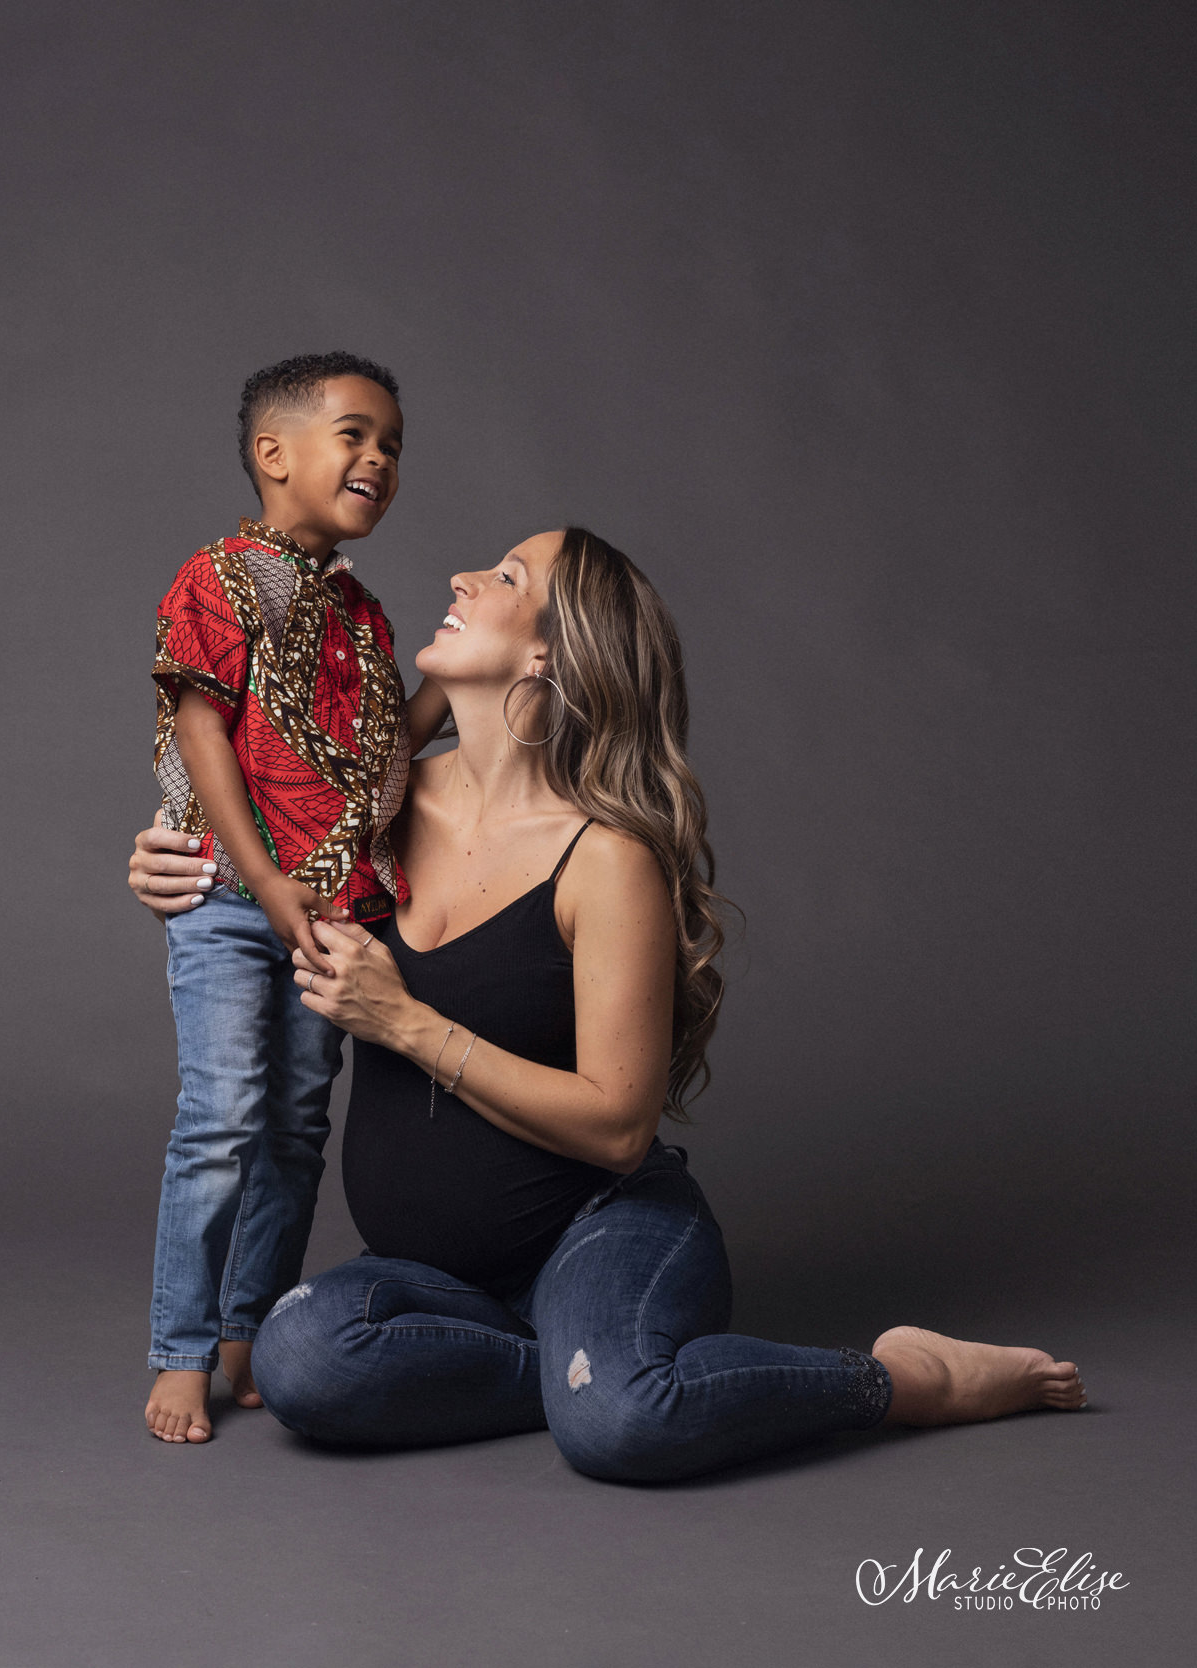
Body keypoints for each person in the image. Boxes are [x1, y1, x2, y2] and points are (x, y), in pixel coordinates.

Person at [130, 527, 1086, 1480]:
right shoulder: (370, 810)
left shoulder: (606, 859)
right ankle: (591, 1368)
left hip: (601, 1230)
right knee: (305, 1363)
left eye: (504, 575)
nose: (461, 575)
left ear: (549, 651)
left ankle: (900, 1379)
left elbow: (621, 1128)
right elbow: (243, 849)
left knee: (623, 1428)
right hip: (436, 1282)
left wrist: (408, 1025)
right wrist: (175, 868)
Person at [142, 351, 446, 1445]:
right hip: (233, 895)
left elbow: (374, 773)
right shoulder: (217, 577)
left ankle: (243, 1329)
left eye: (394, 446)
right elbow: (202, 727)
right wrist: (264, 881)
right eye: (356, 435)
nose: (380, 460)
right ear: (275, 453)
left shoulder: (361, 615)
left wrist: (438, 694)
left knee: (294, 1128)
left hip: (332, 908)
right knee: (223, 1116)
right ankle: (180, 1349)